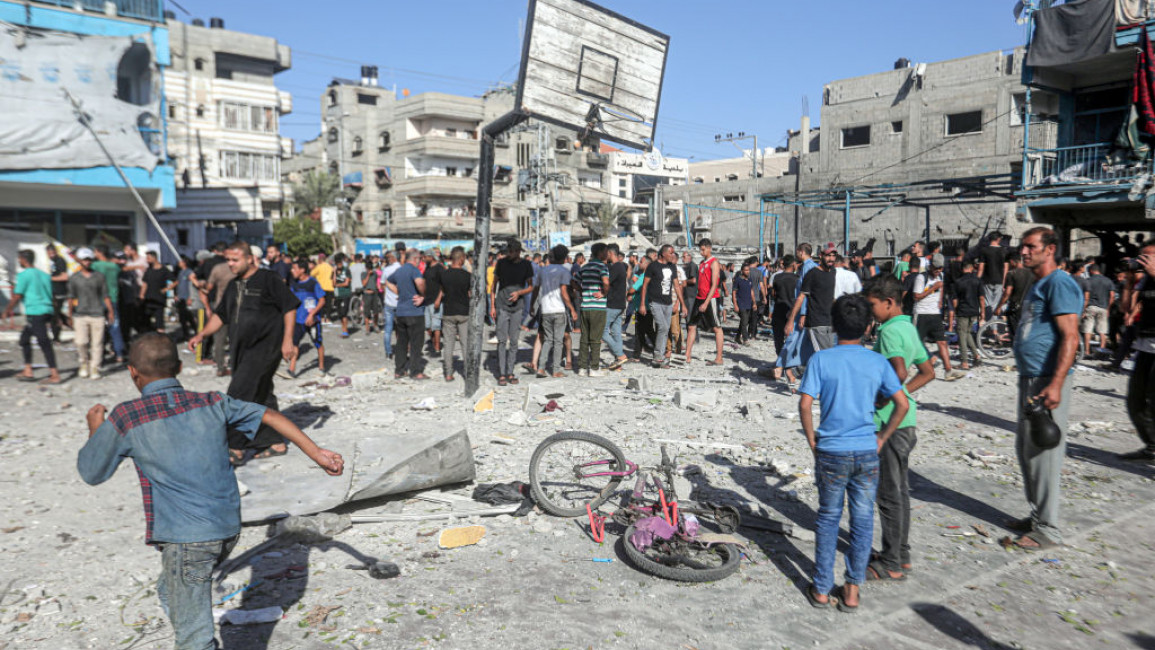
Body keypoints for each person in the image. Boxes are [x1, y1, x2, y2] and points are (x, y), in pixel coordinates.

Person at [77, 333, 343, 650]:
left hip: (187, 539)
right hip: (226, 527)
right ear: (178, 366)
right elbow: (268, 414)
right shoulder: (210, 401)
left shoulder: (128, 416)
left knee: (194, 638)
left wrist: (96, 428)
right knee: (169, 590)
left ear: (132, 372)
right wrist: (318, 454)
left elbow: (92, 472)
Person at [798, 294, 909, 612]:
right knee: (861, 520)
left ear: (834, 325)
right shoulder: (876, 361)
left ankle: (821, 588)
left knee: (828, 517)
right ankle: (852, 590)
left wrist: (812, 440)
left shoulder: (822, 360)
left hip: (831, 451)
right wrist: (882, 438)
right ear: (868, 325)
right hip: (865, 451)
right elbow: (901, 403)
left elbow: (805, 403)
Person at [188, 241, 301, 464]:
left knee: (238, 395)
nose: (230, 264)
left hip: (265, 348)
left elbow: (289, 307)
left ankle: (236, 446)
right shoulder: (232, 285)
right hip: (241, 350)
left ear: (249, 259)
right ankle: (274, 441)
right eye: (228, 260)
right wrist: (201, 335)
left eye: (235, 260)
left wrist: (288, 340)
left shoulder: (268, 279)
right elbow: (221, 316)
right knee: (261, 394)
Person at [1005, 227, 1082, 550]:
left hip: (1047, 379)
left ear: (1049, 249)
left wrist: (1056, 384)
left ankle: (1048, 529)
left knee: (1044, 452)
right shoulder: (1040, 283)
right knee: (1026, 451)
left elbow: (1070, 336)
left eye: (1030, 247)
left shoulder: (1060, 282)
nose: (1024, 252)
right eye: (1022, 247)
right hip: (1031, 376)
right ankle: (1037, 516)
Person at [863, 275, 935, 582]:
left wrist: (884, 399)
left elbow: (899, 370)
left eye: (873, 306)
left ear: (889, 303)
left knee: (888, 495)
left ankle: (890, 562)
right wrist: (902, 395)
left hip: (889, 425)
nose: (870, 312)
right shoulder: (908, 326)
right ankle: (900, 553)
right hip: (906, 421)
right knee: (900, 491)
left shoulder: (890, 330)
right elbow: (928, 371)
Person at [1118, 243, 1155, 463]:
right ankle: (1151, 446)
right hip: (1145, 344)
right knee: (1135, 401)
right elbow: (1126, 309)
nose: (1143, 262)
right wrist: (1129, 282)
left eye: (1148, 257)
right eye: (1141, 258)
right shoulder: (1145, 280)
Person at [3, 249, 60, 384]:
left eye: (19, 259)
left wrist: (7, 310)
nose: (19, 261)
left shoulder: (24, 275)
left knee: (43, 342)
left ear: (23, 259)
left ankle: (54, 374)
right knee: (24, 339)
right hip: (46, 310)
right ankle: (28, 369)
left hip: (36, 311)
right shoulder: (44, 275)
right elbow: (53, 296)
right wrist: (56, 315)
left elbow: (17, 295)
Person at [489, 241, 534, 385]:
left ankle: (510, 372)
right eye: (509, 250)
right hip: (502, 305)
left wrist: (519, 292)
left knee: (514, 341)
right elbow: (493, 285)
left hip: (518, 307)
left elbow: (531, 287)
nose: (511, 253)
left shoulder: (526, 265)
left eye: (514, 251)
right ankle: (502, 373)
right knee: (502, 341)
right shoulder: (501, 263)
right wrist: (492, 306)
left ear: (519, 251)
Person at [784, 246, 838, 361]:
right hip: (816, 322)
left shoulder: (833, 272)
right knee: (825, 357)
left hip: (830, 322)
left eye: (833, 256)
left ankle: (794, 370)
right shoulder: (812, 273)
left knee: (823, 355)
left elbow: (830, 297)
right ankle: (787, 367)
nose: (831, 259)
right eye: (828, 255)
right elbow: (801, 297)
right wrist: (790, 321)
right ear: (821, 256)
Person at [911, 254, 959, 380]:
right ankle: (911, 367)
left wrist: (940, 300)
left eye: (940, 268)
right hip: (921, 313)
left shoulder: (941, 276)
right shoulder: (921, 278)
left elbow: (941, 289)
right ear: (930, 266)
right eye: (936, 268)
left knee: (942, 342)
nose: (938, 271)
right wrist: (933, 288)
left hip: (935, 314)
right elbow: (916, 296)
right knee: (916, 342)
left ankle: (948, 370)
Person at [68, 248, 113, 380]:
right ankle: (83, 363)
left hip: (97, 313)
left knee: (97, 343)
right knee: (81, 342)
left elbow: (105, 295)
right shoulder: (74, 278)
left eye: (89, 259)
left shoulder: (99, 277)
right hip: (80, 314)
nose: (87, 262)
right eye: (84, 259)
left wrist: (111, 311)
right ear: (80, 261)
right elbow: (70, 297)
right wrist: (69, 314)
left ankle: (95, 367)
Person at [532, 245, 577, 378]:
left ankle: (541, 368)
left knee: (547, 340)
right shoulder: (563, 271)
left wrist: (531, 306)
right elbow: (564, 292)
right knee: (558, 341)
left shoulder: (542, 270)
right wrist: (572, 308)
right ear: (563, 258)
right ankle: (556, 370)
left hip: (545, 309)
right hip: (558, 310)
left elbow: (535, 289)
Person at [383, 249, 428, 380]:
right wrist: (423, 295)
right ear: (415, 259)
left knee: (401, 342)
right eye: (419, 259)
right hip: (414, 311)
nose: (420, 261)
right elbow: (420, 282)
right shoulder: (414, 270)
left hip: (401, 311)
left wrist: (399, 293)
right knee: (416, 343)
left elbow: (388, 282)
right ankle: (415, 371)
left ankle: (399, 370)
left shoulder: (399, 270)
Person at [641, 244, 684, 368]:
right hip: (655, 302)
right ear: (663, 253)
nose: (673, 255)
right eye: (671, 253)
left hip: (668, 303)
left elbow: (677, 286)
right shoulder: (653, 266)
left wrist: (682, 304)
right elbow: (644, 285)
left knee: (665, 330)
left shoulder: (672, 267)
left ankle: (660, 356)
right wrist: (643, 304)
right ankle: (657, 356)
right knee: (663, 327)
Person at [685, 239, 725, 366]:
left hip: (710, 298)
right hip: (699, 297)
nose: (701, 252)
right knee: (691, 326)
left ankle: (719, 358)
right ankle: (687, 355)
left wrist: (706, 303)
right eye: (700, 249)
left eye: (703, 249)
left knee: (716, 327)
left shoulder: (714, 263)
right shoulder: (702, 263)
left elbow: (714, 285)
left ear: (709, 248)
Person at [288, 258, 327, 377]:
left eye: (294, 269)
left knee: (318, 343)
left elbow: (322, 300)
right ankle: (292, 369)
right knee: (295, 344)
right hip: (298, 320)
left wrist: (312, 314)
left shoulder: (313, 283)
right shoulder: (294, 284)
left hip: (312, 320)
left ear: (302, 270)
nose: (292, 271)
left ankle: (321, 367)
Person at [437, 247, 472, 381]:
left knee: (448, 344)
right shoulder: (467, 276)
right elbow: (470, 293)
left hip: (448, 312)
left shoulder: (444, 275)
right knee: (465, 344)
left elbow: (442, 291)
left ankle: (448, 373)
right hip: (463, 312)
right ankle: (468, 373)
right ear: (462, 258)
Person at [577, 243, 610, 376]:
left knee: (584, 338)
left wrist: (582, 291)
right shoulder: (602, 267)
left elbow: (574, 281)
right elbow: (606, 283)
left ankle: (582, 368)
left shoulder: (584, 267)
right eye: (606, 251)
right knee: (596, 338)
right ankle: (594, 368)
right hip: (598, 307)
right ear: (600, 253)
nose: (607, 254)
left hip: (585, 306)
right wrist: (604, 293)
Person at [92, 245, 126, 362]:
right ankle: (119, 354)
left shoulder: (95, 265)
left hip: (99, 298)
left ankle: (99, 354)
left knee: (98, 326)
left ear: (98, 252)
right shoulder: (115, 267)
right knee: (115, 326)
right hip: (114, 298)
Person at [951, 260, 986, 370]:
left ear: (963, 269)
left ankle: (964, 362)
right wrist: (982, 312)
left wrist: (956, 310)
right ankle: (976, 355)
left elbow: (955, 300)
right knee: (967, 333)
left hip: (963, 311)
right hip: (974, 311)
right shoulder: (978, 281)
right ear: (971, 268)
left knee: (961, 335)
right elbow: (981, 298)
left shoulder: (958, 282)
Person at [603, 244, 630, 371]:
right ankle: (618, 363)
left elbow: (606, 282)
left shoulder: (617, 267)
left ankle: (620, 355)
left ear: (610, 253)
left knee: (601, 331)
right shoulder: (619, 266)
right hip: (619, 304)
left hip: (613, 304)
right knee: (616, 333)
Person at [996, 252, 1034, 336]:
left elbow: (1007, 293)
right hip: (1029, 306)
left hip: (1015, 308)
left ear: (1012, 261)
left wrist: (998, 307)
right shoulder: (1031, 273)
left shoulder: (1011, 274)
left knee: (1015, 334)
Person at [1081, 264, 1115, 354]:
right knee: (1102, 330)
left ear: (1091, 270)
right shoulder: (1108, 281)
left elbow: (1085, 296)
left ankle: (1087, 351)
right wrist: (1108, 308)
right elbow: (1112, 295)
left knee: (1088, 329)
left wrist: (1083, 309)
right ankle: (1102, 350)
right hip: (1103, 307)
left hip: (1090, 306)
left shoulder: (1088, 281)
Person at [140, 251, 175, 334]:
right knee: (146, 320)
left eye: (148, 258)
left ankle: (161, 337)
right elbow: (145, 283)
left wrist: (166, 289)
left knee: (159, 321)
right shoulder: (148, 270)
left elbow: (175, 281)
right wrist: (141, 294)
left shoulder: (164, 270)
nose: (147, 260)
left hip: (159, 299)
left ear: (154, 258)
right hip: (148, 298)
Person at [771, 255, 799, 356]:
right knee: (792, 339)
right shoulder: (797, 278)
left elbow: (773, 294)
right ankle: (789, 362)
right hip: (792, 312)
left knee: (778, 339)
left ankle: (780, 361)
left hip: (778, 310)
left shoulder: (777, 277)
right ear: (793, 264)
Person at [977, 232, 1008, 319]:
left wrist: (977, 281)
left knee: (987, 304)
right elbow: (1005, 268)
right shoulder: (1004, 251)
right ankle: (994, 328)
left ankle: (990, 326)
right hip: (999, 281)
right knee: (996, 305)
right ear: (998, 239)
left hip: (987, 280)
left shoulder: (984, 250)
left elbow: (981, 268)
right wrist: (1004, 282)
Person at [45, 243, 70, 342]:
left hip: (60, 292)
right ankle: (69, 324)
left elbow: (65, 276)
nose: (51, 255)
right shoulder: (53, 262)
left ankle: (56, 337)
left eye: (52, 253)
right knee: (56, 314)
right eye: (49, 253)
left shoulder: (60, 261)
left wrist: (49, 278)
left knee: (54, 316)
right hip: (54, 292)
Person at [379, 252, 401, 357]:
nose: (387, 260)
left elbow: (382, 284)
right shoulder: (402, 269)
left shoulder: (386, 270)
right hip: (400, 303)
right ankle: (403, 349)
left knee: (388, 329)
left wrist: (387, 293)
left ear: (393, 258)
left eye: (388, 258)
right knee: (401, 328)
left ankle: (388, 352)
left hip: (389, 303)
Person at [423, 252, 444, 354]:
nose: (424, 258)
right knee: (427, 326)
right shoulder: (427, 268)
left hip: (436, 300)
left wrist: (439, 299)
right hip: (427, 300)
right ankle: (433, 342)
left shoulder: (439, 268)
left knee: (436, 326)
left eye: (426, 256)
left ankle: (437, 348)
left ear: (431, 257)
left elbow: (444, 285)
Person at [174, 256, 198, 342]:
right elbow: (179, 284)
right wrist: (177, 295)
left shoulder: (190, 272)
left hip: (187, 298)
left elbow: (191, 286)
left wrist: (190, 297)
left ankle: (197, 333)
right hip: (181, 298)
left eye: (180, 261)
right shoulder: (181, 272)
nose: (178, 263)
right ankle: (185, 335)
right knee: (182, 318)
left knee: (190, 317)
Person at [732, 260, 756, 344]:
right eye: (746, 270)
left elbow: (751, 291)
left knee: (744, 321)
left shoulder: (749, 280)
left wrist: (754, 303)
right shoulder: (738, 280)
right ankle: (745, 339)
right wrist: (735, 304)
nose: (747, 272)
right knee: (744, 321)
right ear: (742, 271)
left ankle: (737, 337)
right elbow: (734, 292)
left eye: (748, 270)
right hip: (740, 304)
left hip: (748, 303)